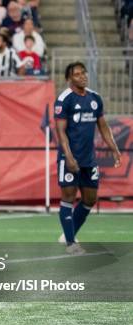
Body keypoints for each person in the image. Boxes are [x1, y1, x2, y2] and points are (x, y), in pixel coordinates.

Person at [54, 62, 121, 254]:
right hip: (69, 158)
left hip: (89, 159)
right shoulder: (64, 99)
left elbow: (103, 126)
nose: (83, 76)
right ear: (69, 79)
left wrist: (114, 149)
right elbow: (61, 131)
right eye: (77, 74)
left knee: (90, 199)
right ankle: (70, 243)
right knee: (68, 196)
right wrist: (68, 157)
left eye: (84, 73)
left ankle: (69, 233)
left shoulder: (95, 98)